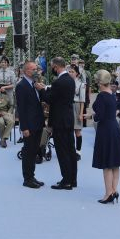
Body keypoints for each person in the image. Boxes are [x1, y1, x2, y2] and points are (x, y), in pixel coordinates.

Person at [91, 70, 120, 204]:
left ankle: (108, 193)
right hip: (114, 129)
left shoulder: (101, 96)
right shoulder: (112, 93)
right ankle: (114, 190)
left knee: (107, 164)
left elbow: (99, 116)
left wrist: (92, 115)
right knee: (115, 163)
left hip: (105, 130)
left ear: (99, 82)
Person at [46, 57, 77, 190]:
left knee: (62, 151)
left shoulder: (59, 82)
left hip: (60, 121)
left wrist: (42, 90)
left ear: (56, 67)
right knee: (70, 150)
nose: (52, 69)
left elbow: (50, 99)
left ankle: (66, 181)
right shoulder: (70, 79)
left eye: (52, 67)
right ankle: (73, 179)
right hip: (68, 119)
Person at [15, 60, 44, 189]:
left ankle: (32, 176)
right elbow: (21, 108)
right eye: (33, 69)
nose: (36, 71)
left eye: (36, 69)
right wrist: (24, 127)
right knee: (28, 152)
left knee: (34, 151)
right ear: (26, 71)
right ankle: (27, 179)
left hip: (37, 123)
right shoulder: (21, 86)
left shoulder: (33, 83)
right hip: (29, 125)